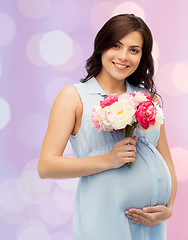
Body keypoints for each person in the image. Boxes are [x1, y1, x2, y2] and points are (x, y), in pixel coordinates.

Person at [38, 14, 177, 240]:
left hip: (149, 223)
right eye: (116, 45)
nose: (123, 56)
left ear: (142, 57)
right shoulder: (73, 97)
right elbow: (46, 166)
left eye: (134, 50)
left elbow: (166, 161)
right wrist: (108, 160)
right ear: (101, 46)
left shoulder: (147, 99)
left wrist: (167, 209)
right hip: (103, 218)